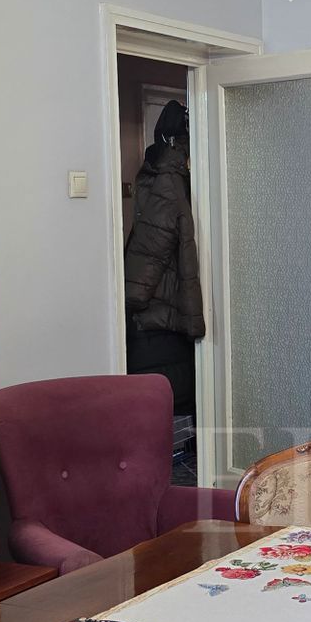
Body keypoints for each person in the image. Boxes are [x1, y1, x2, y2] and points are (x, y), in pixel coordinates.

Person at [125, 100, 202, 415]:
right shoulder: (170, 180)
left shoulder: (163, 173)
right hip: (161, 315)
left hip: (160, 312)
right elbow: (149, 252)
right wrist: (133, 298)